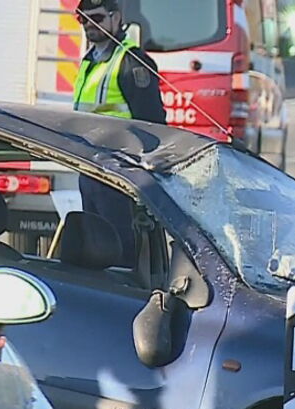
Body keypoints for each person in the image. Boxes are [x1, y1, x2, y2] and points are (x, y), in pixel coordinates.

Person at [73, 0, 165, 266]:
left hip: (117, 175)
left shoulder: (132, 62)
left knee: (119, 253)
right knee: (95, 250)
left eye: (97, 18)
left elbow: (153, 124)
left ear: (116, 18)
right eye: (83, 19)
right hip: (89, 169)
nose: (89, 25)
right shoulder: (90, 62)